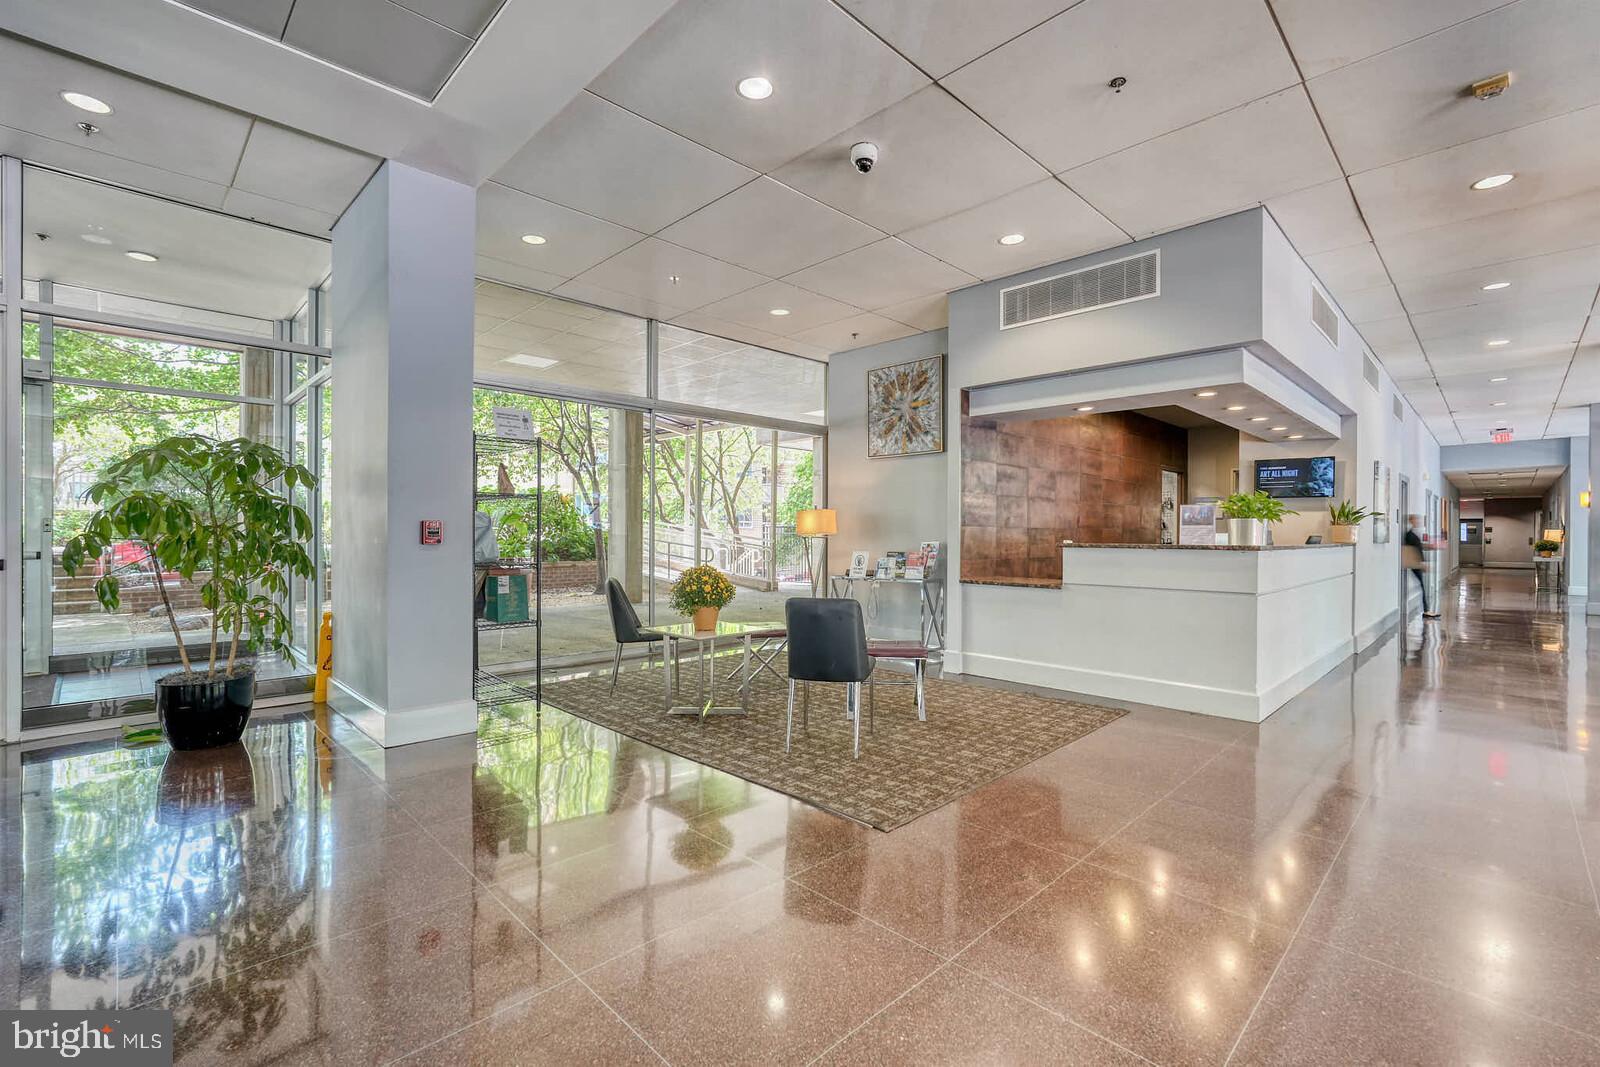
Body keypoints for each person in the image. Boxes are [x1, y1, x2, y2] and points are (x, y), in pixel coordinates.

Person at [1403, 514, 1439, 619]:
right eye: (1415, 519)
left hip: (1417, 563)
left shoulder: (1413, 534)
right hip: (1415, 563)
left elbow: (1418, 547)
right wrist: (1420, 564)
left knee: (1421, 585)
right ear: (1411, 521)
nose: (1418, 521)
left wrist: (1429, 546)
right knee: (1422, 586)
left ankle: (1426, 610)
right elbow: (1411, 551)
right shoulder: (1409, 535)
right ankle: (1426, 610)